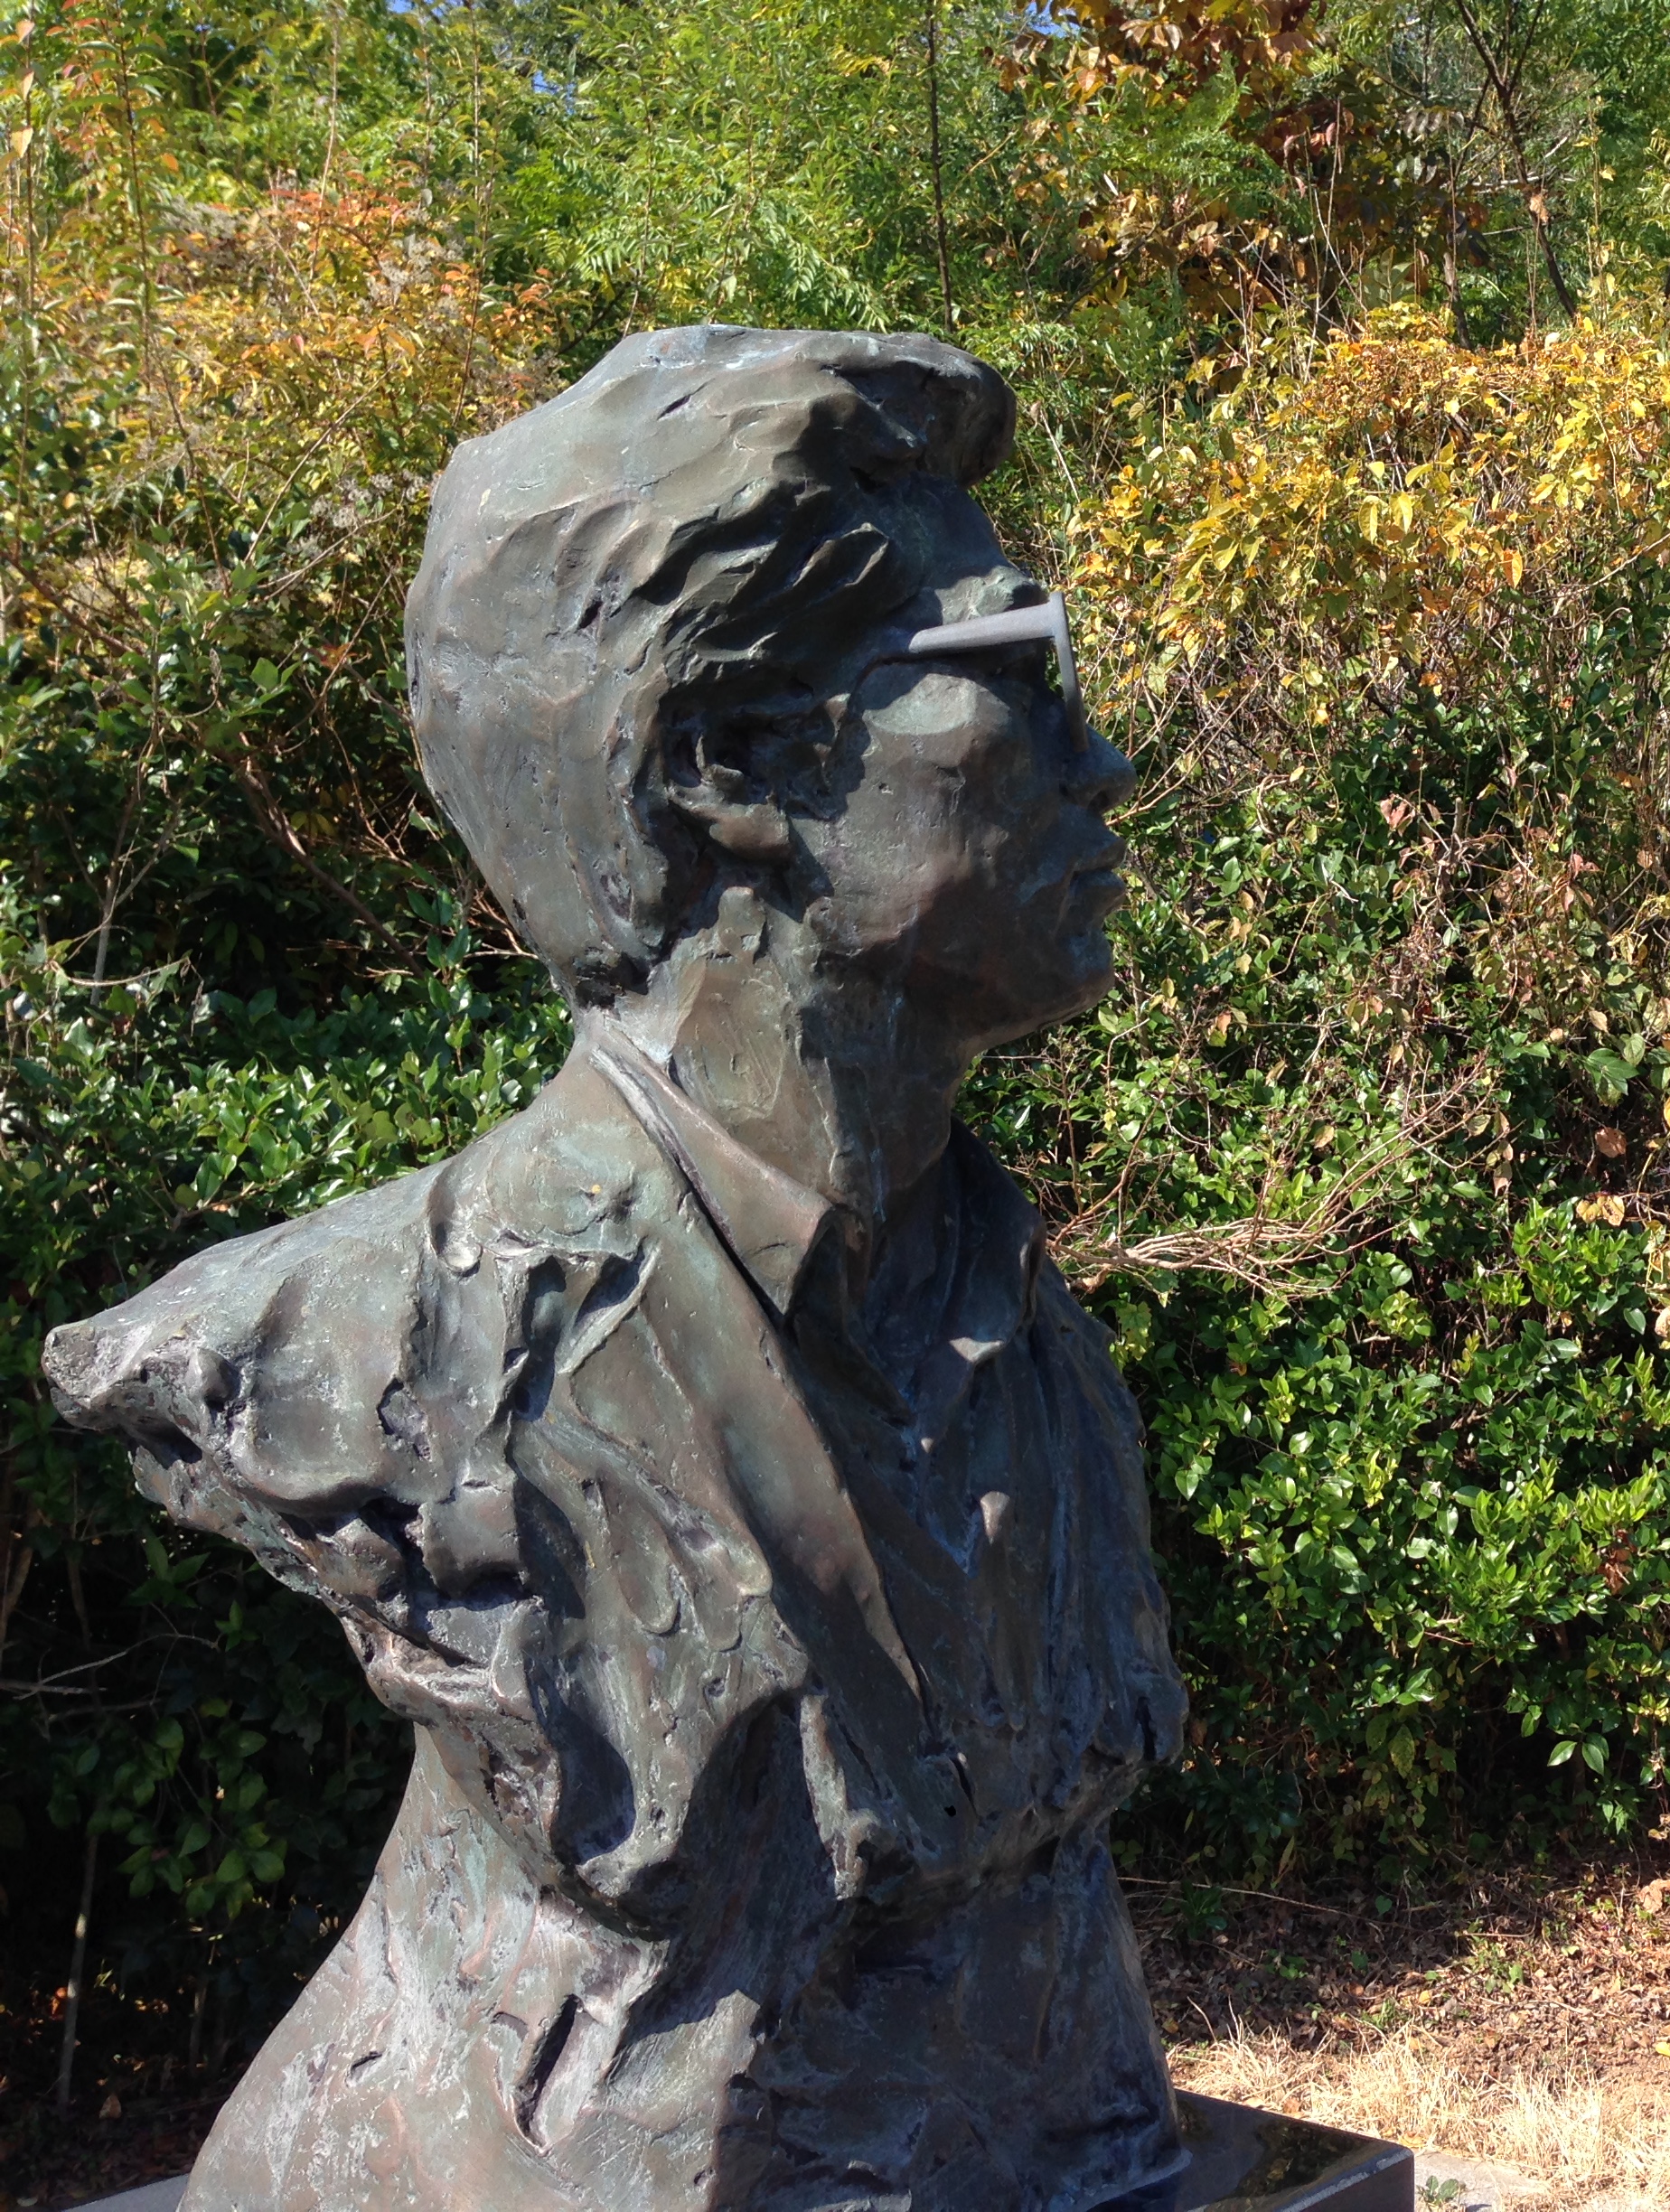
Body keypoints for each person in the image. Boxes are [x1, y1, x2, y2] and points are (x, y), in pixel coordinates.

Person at [44, 325, 1189, 2212]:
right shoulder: (352, 1352)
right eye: (1014, 671)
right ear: (729, 766)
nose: (1106, 760)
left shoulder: (1014, 1315)